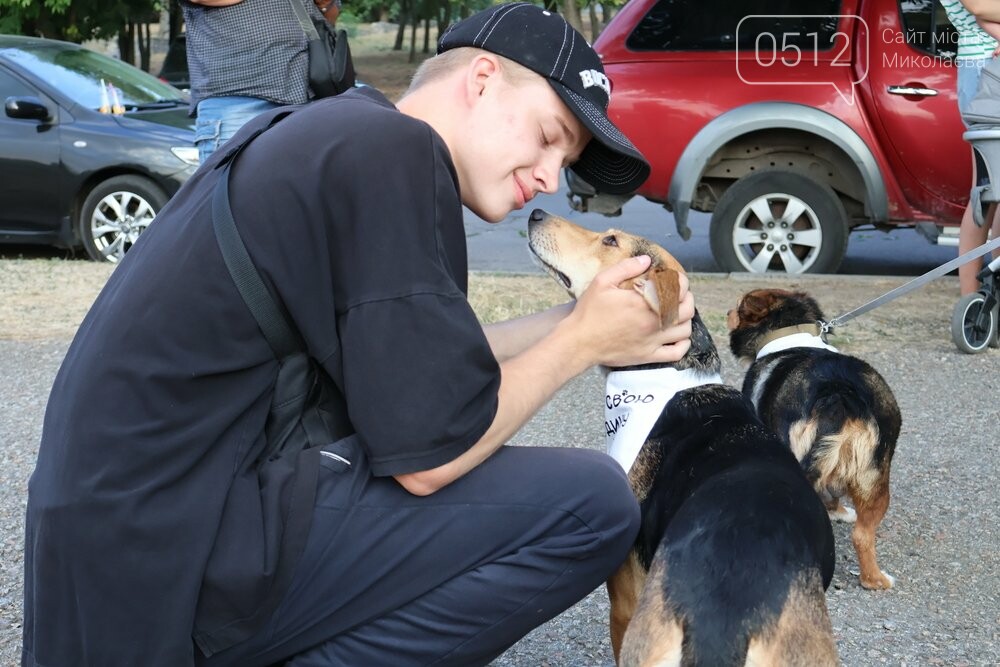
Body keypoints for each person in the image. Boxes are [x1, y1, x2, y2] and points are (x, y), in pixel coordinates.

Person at [21, 4, 695, 666]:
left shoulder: (343, 134)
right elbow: (432, 453)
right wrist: (578, 343)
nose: (550, 176)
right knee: (594, 504)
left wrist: (581, 323)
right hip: (178, 553)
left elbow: (417, 371)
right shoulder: (393, 152)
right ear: (482, 79)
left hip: (122, 546)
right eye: (549, 135)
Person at [181, 0, 342, 163]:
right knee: (234, 187)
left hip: (312, 97)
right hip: (239, 100)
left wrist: (325, 5)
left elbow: (330, 15)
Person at [942, 0, 1000, 294]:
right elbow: (981, 8)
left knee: (990, 191)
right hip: (988, 69)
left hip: (984, 67)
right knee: (989, 192)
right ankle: (972, 303)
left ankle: (976, 304)